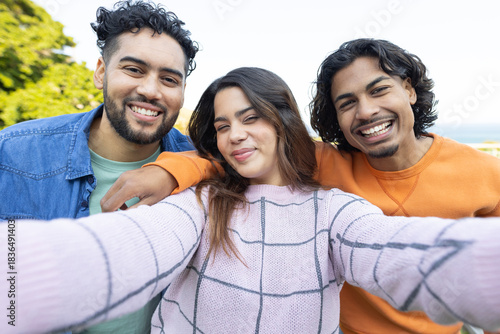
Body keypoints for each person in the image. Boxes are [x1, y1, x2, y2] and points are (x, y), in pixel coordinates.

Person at [2, 67, 500, 334]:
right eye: (221, 126)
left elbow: (407, 254)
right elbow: (124, 251)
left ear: (282, 117)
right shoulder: (200, 202)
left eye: (250, 118)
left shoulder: (334, 210)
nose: (234, 136)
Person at [0, 0, 198, 333]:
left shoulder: (201, 166)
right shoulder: (14, 152)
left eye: (168, 79)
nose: (150, 90)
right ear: (101, 72)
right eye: (134, 70)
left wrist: (183, 169)